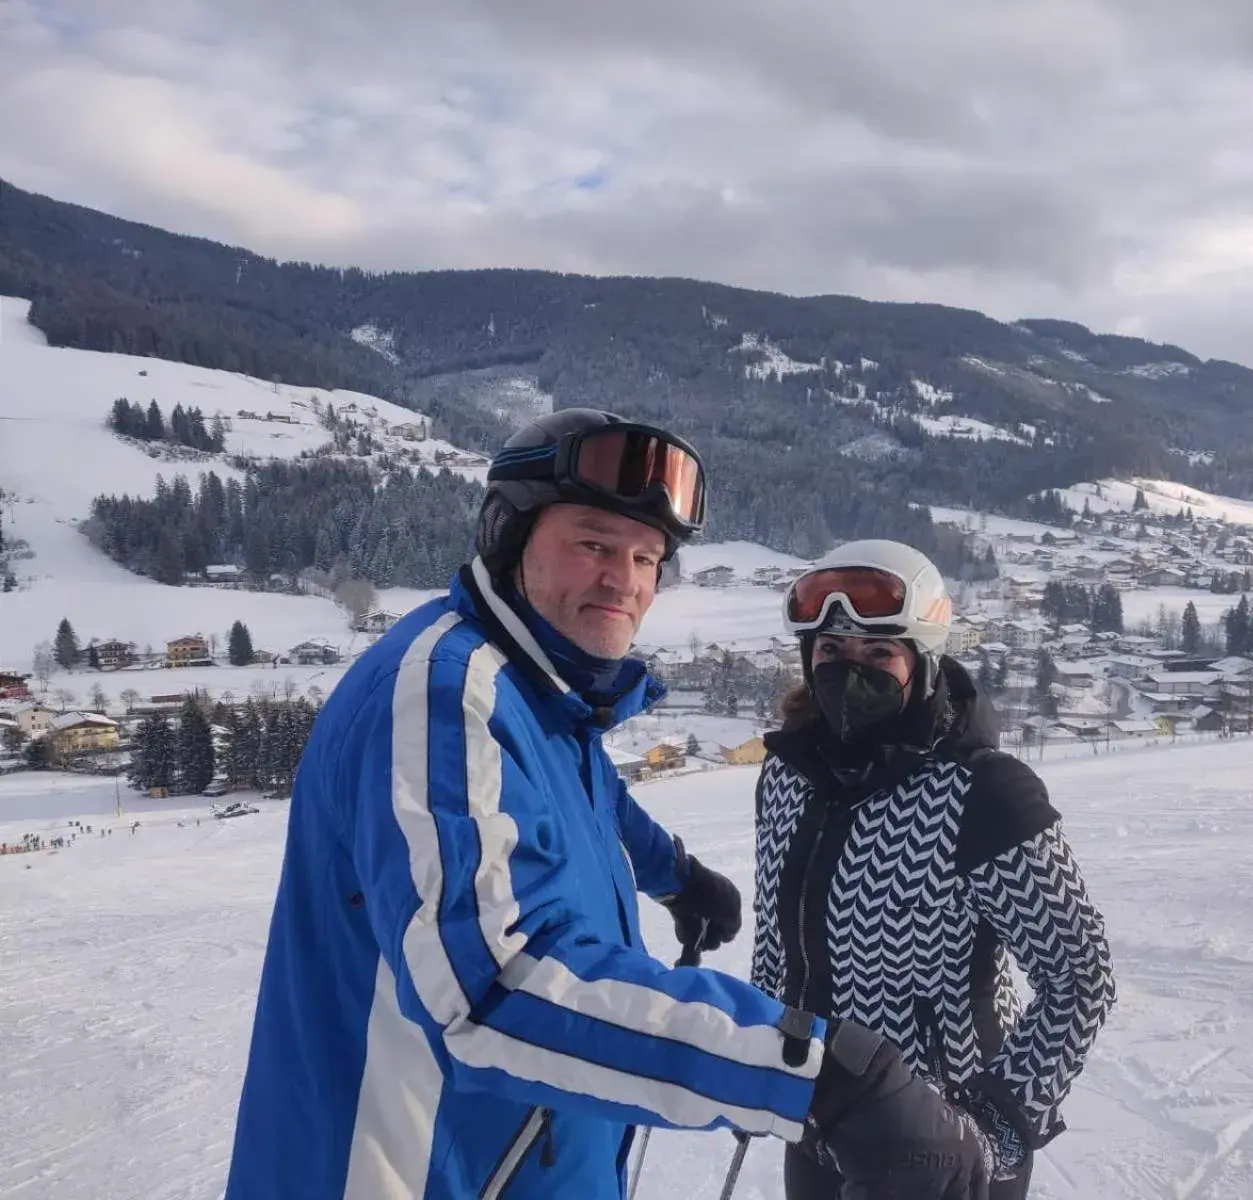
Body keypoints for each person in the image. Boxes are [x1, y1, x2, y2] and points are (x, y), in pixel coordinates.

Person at [225, 410, 991, 1200]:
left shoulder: (534, 681)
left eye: (645, 556)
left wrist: (673, 873)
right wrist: (819, 1078)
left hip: (518, 1162)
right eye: (592, 544)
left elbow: (581, 794)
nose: (623, 580)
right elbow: (496, 991)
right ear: (508, 536)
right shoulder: (446, 694)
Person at [749, 540, 1117, 1199]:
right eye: (830, 652)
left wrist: (992, 1121)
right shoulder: (788, 776)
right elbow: (777, 943)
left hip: (938, 1138)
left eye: (877, 654)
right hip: (813, 1117)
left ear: (921, 661)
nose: (847, 673)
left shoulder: (982, 793)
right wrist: (758, 1051)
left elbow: (1078, 975)